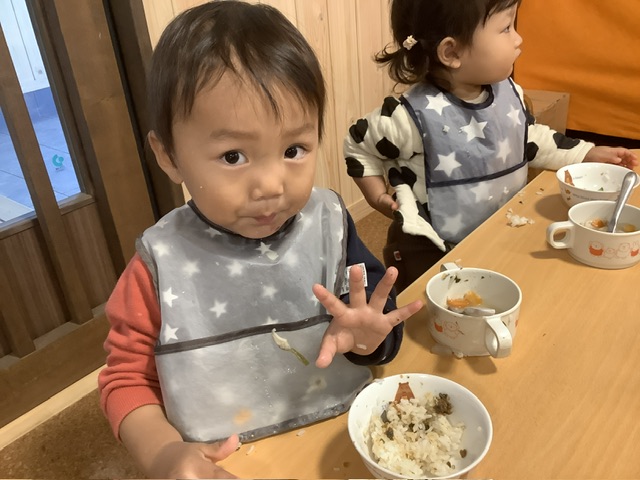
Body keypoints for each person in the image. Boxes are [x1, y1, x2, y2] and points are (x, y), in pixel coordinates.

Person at [97, 1, 423, 478]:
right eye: (233, 156)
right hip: (224, 460)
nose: (271, 185)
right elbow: (126, 380)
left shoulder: (329, 223)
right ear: (168, 156)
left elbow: (374, 313)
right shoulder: (160, 262)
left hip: (343, 431)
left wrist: (371, 338)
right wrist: (162, 453)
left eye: (294, 149)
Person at [344, 0, 638, 292]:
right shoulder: (408, 117)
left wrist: (586, 152)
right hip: (430, 251)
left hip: (494, 234)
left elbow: (529, 138)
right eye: (506, 28)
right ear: (452, 52)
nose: (518, 39)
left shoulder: (509, 92)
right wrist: (376, 196)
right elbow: (358, 145)